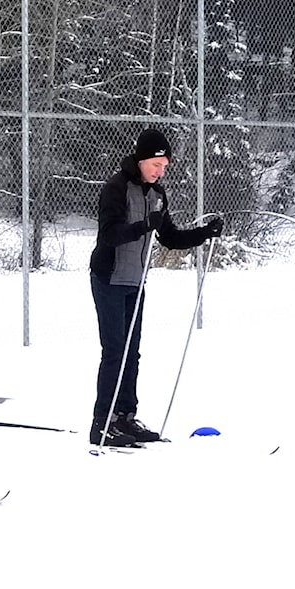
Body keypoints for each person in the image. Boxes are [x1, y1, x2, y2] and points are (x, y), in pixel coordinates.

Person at [89, 128, 223, 447]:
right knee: (114, 353)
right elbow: (109, 234)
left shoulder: (158, 195)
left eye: (164, 166)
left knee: (131, 354)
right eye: (157, 164)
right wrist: (142, 226)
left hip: (136, 281)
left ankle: (124, 417)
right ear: (143, 158)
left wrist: (205, 233)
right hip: (109, 278)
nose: (161, 171)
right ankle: (102, 423)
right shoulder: (116, 188)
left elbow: (170, 237)